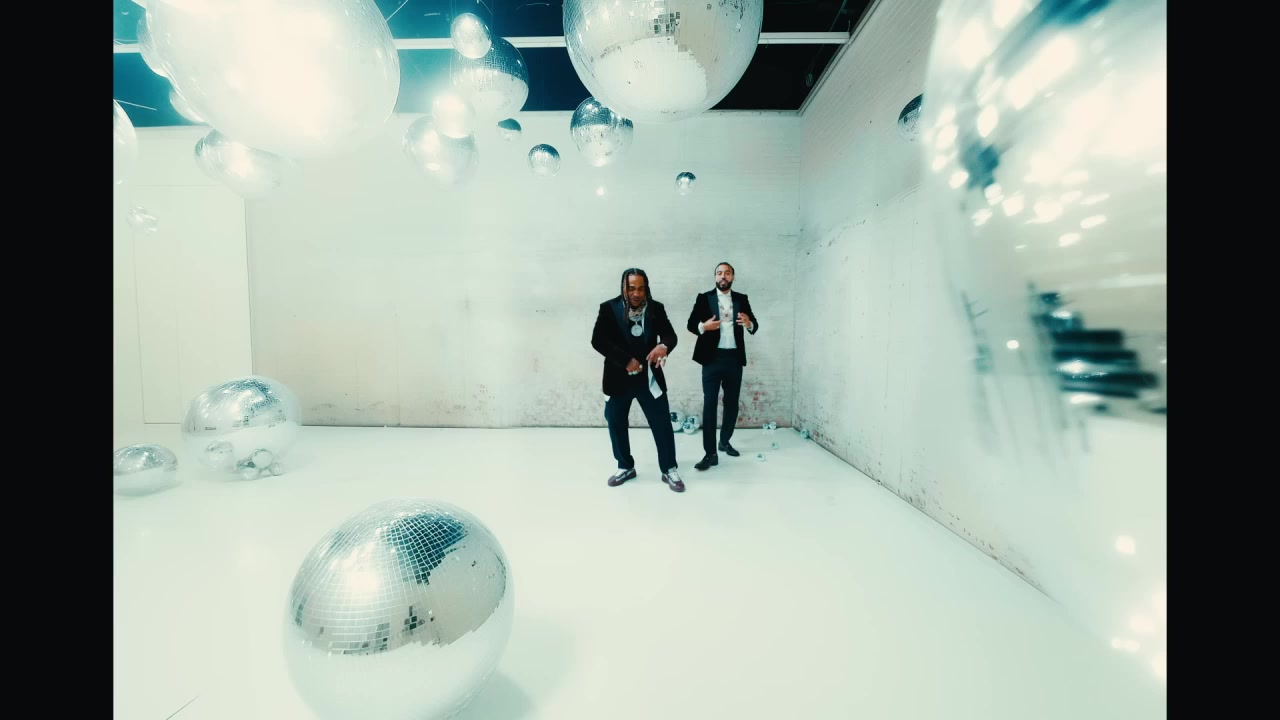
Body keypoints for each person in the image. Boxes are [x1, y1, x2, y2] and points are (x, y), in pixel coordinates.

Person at [591, 268, 685, 493]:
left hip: (649, 378)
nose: (636, 293)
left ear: (646, 289)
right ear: (623, 288)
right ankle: (625, 467)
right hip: (617, 378)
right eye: (631, 288)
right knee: (616, 423)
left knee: (662, 423)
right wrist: (626, 361)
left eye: (641, 289)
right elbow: (597, 340)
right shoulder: (608, 308)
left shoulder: (656, 308)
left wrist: (663, 346)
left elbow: (670, 335)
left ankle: (669, 469)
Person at [686, 262, 759, 472]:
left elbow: (754, 325)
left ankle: (724, 441)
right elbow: (691, 324)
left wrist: (749, 323)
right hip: (711, 359)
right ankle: (710, 454)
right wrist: (704, 326)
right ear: (715, 277)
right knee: (709, 404)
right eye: (719, 273)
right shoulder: (704, 298)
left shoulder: (741, 299)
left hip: (734, 359)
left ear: (733, 277)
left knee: (732, 403)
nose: (723, 276)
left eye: (727, 273)